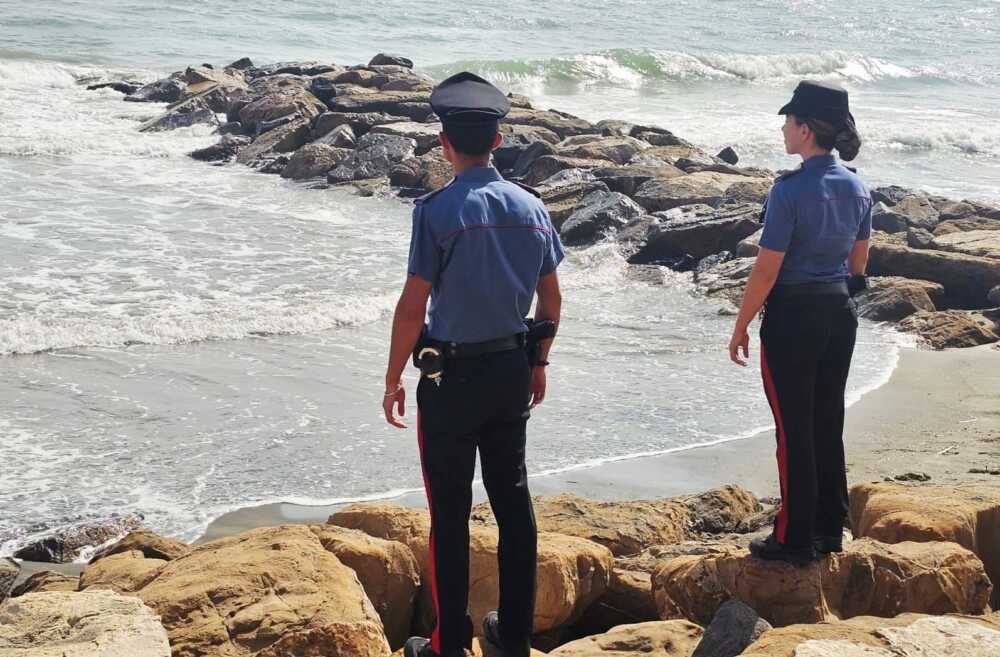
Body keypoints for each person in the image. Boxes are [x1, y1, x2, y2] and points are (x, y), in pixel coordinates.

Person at [381, 71, 564, 657]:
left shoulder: (437, 211)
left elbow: (413, 306)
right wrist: (539, 361)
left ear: (444, 143)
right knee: (513, 505)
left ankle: (448, 644)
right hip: (512, 371)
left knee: (450, 511)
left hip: (452, 379)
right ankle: (513, 639)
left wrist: (391, 378)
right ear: (499, 140)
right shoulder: (531, 208)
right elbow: (551, 300)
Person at [727, 80, 871, 566]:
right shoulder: (856, 185)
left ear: (805, 130)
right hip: (840, 313)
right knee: (828, 420)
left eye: (788, 122)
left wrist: (741, 323)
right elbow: (859, 261)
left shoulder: (789, 190)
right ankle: (830, 528)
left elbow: (767, 268)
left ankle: (792, 538)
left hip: (794, 316)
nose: (784, 130)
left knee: (793, 429)